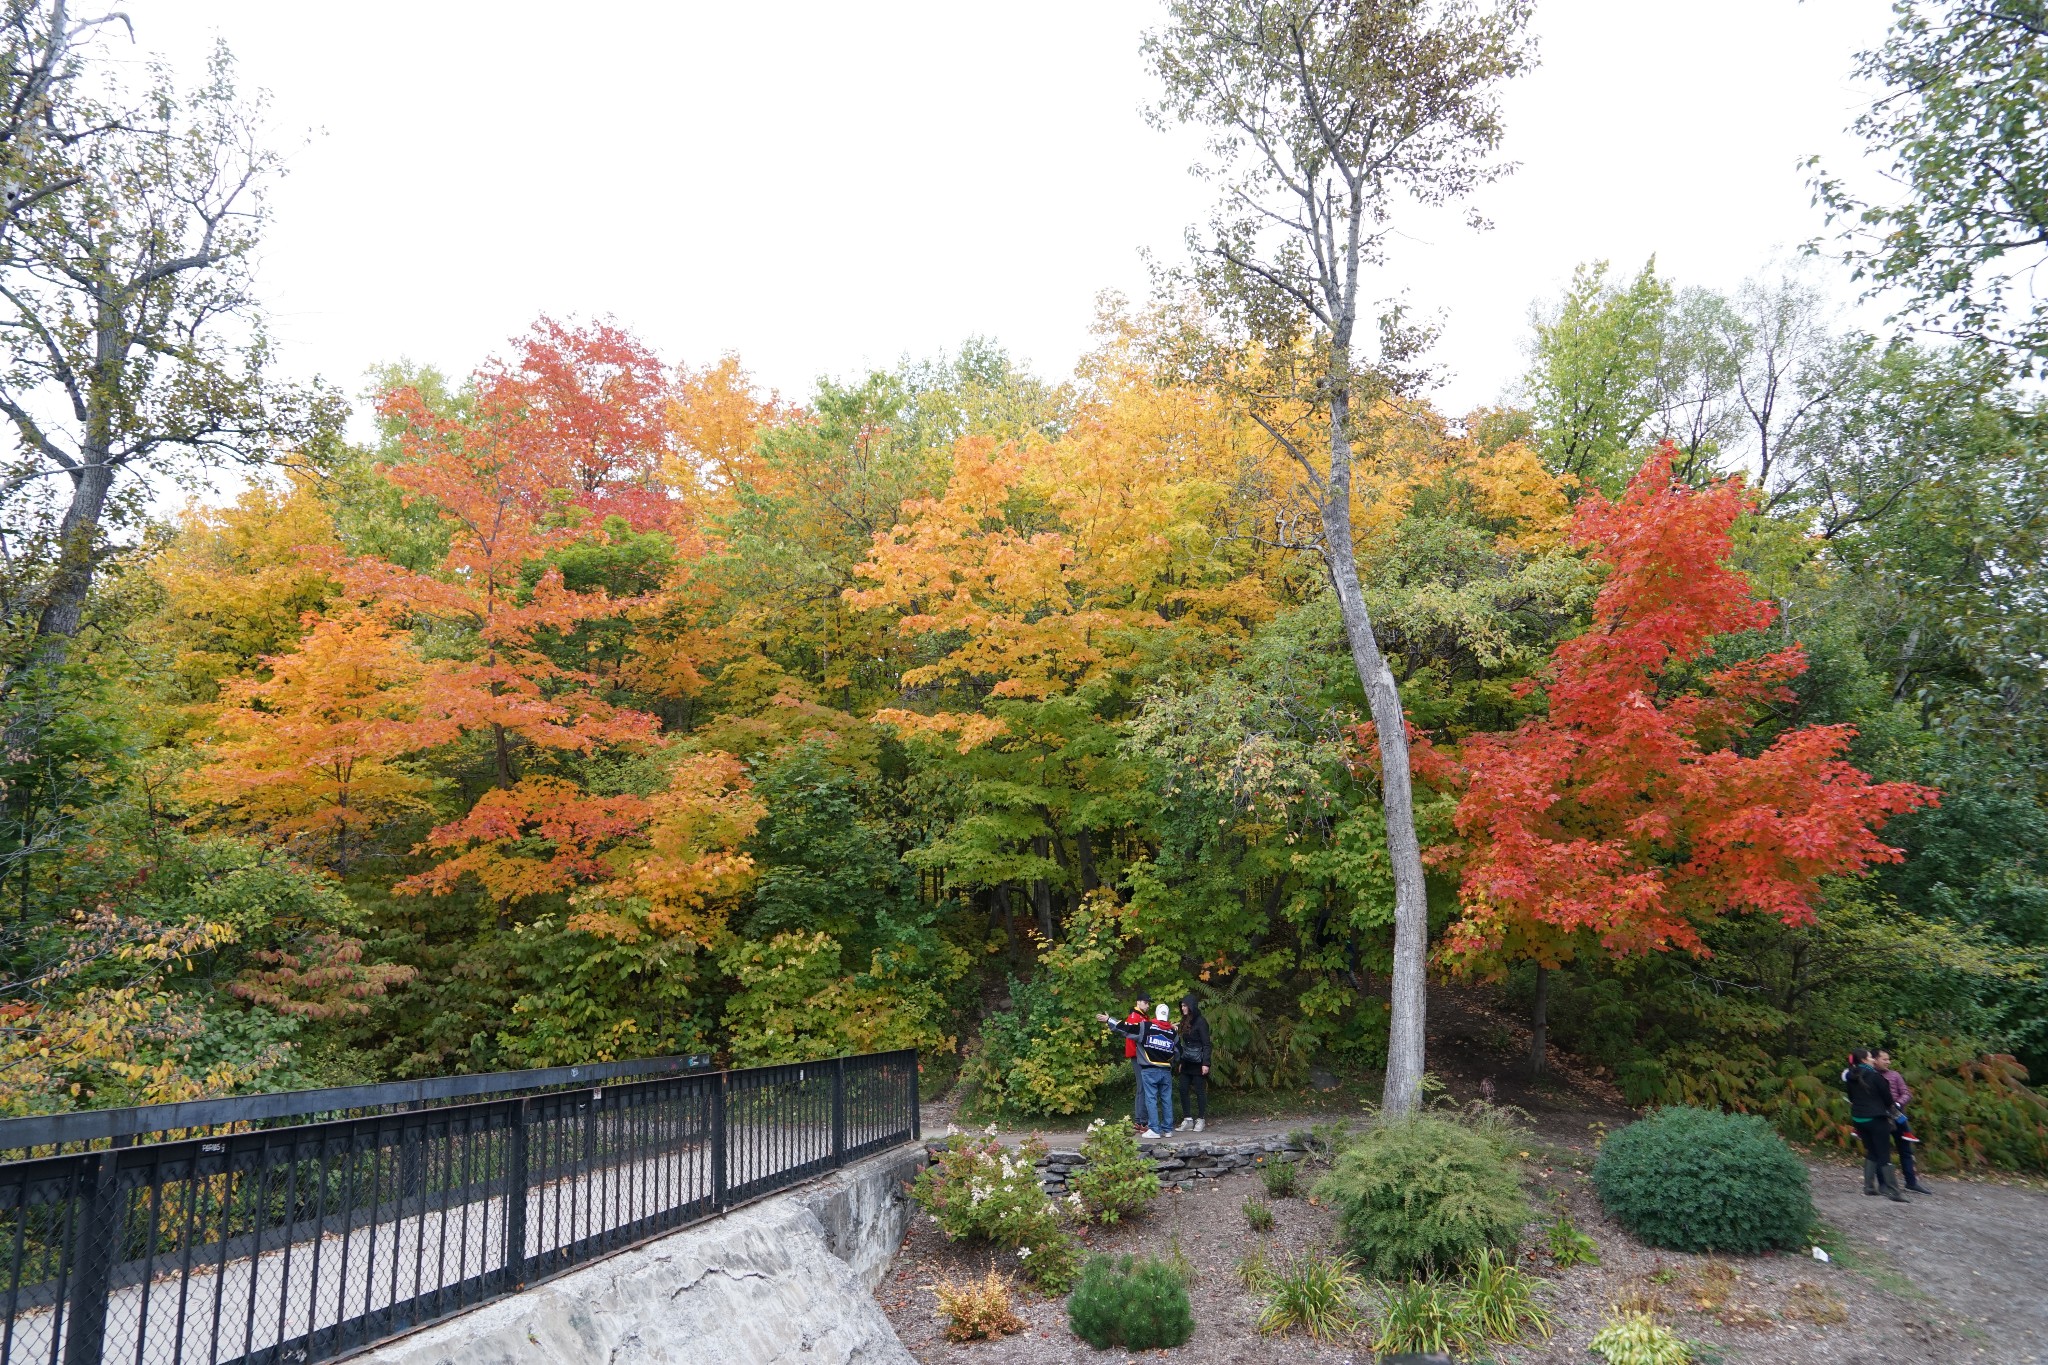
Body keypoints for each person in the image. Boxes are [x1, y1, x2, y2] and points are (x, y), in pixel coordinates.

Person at [1843, 1047, 1907, 1202]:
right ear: (1864, 1060)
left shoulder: (1851, 1077)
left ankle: (1869, 1187)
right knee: (1884, 1154)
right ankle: (1894, 1192)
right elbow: (1888, 1100)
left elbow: (1852, 1098)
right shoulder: (1876, 1077)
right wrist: (1896, 1114)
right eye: (1871, 1057)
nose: (1873, 1059)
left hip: (1859, 1119)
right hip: (1876, 1119)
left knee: (1871, 1151)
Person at [1875, 1050, 1928, 1193]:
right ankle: (1883, 1184)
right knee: (1882, 1151)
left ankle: (1911, 1182)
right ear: (1875, 1060)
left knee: (1905, 1150)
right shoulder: (1870, 1076)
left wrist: (1898, 1104)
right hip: (1880, 1118)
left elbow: (1906, 1093)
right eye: (1884, 1059)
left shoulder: (1895, 1075)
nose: (1888, 1062)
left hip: (1898, 1116)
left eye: (1888, 1059)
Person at [1174, 995, 1211, 1133]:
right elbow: (1184, 1044)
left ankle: (1201, 1119)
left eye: (1185, 1005)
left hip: (1199, 1061)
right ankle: (1188, 1119)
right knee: (1183, 1089)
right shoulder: (1184, 1021)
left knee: (1199, 1091)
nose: (1183, 1008)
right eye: (1182, 1006)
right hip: (1187, 1060)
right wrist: (1181, 1062)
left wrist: (1206, 1063)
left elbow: (1207, 1044)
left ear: (1191, 1006)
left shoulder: (1201, 1022)